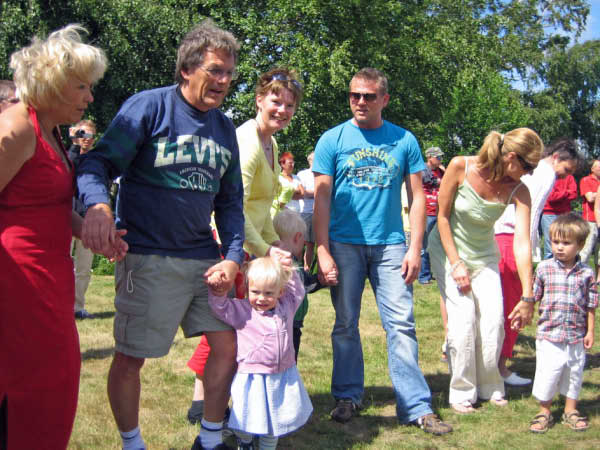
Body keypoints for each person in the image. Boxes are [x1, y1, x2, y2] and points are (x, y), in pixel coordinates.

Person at [77, 20, 245, 450]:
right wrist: (97, 206)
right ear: (187, 69)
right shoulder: (149, 107)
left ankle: (210, 439)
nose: (224, 81)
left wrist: (232, 256)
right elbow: (97, 163)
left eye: (229, 73)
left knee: (227, 346)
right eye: (215, 70)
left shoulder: (225, 128)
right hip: (148, 257)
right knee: (132, 357)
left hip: (205, 260)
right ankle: (132, 443)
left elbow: (230, 202)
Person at [0, 25, 123, 449]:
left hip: (48, 278)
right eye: (82, 87)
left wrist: (90, 230)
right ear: (53, 83)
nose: (90, 98)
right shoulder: (16, 128)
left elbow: (45, 204)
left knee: (52, 385)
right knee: (32, 389)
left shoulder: (49, 130)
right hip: (18, 284)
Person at [313, 67, 452, 435]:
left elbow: (418, 197)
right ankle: (347, 396)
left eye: (369, 96)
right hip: (343, 243)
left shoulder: (404, 140)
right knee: (345, 324)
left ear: (384, 99)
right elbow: (321, 199)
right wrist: (322, 250)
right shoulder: (332, 139)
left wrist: (415, 247)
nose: (360, 101)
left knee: (401, 324)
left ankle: (416, 406)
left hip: (391, 245)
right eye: (354, 95)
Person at [185, 68, 303, 425]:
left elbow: (261, 205)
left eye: (289, 105)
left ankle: (213, 399)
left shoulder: (272, 144)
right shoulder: (248, 143)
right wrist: (263, 249)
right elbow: (234, 206)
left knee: (233, 325)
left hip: (250, 243)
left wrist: (273, 244)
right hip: (229, 245)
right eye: (276, 101)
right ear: (259, 99)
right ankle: (203, 401)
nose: (282, 110)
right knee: (226, 326)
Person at [428, 128, 543, 413]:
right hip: (448, 251)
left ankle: (490, 385)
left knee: (493, 322)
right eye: (528, 166)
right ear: (512, 157)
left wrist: (528, 295)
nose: (530, 173)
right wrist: (456, 263)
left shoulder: (519, 190)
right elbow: (442, 218)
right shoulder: (460, 166)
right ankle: (462, 391)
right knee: (463, 322)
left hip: (485, 256)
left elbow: (522, 243)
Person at [494, 138, 579, 386]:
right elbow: (530, 216)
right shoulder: (546, 173)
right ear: (556, 158)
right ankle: (500, 368)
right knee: (515, 306)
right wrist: (530, 252)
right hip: (513, 241)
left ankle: (490, 365)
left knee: (497, 306)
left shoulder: (529, 169)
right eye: (567, 169)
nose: (566, 176)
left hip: (499, 238)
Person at [206, 256, 313, 450]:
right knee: (246, 418)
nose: (262, 298)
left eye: (269, 293)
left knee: (275, 422)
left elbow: (298, 291)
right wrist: (217, 292)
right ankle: (245, 441)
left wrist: (289, 269)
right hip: (252, 376)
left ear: (280, 292)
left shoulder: (286, 307)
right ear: (247, 289)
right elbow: (220, 307)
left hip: (281, 376)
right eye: (255, 292)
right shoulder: (243, 311)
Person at [528, 213, 597, 433]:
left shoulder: (587, 273)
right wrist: (524, 310)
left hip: (576, 334)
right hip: (549, 333)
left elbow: (591, 305)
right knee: (548, 372)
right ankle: (544, 411)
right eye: (555, 242)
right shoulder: (544, 268)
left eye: (566, 243)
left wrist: (590, 331)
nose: (559, 247)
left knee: (574, 373)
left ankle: (570, 410)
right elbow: (533, 296)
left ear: (580, 245)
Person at [68, 119, 97, 319]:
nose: (86, 139)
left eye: (90, 135)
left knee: (84, 268)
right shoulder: (69, 155)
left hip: (88, 219)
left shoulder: (96, 159)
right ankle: (61, 305)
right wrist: (74, 144)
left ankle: (77, 307)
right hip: (68, 218)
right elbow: (68, 168)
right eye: (82, 134)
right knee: (62, 265)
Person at [418, 146, 445, 285]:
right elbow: (428, 181)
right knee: (425, 246)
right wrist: (441, 180)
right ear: (429, 157)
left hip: (439, 212)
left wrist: (445, 172)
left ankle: (432, 273)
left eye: (441, 157)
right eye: (438, 157)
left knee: (436, 245)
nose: (440, 159)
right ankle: (423, 276)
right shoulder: (422, 169)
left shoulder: (441, 171)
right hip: (426, 212)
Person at [288, 152, 316, 271]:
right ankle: (295, 269)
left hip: (318, 213)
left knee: (311, 245)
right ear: (310, 161)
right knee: (298, 242)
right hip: (304, 213)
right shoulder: (302, 175)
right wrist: (318, 193)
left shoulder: (322, 174)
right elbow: (300, 193)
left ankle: (306, 270)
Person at [539, 172, 577, 259]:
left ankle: (563, 265)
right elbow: (551, 197)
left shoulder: (569, 176)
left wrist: (559, 193)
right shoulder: (549, 176)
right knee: (550, 244)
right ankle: (548, 266)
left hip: (565, 214)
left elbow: (574, 194)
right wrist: (566, 192)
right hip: (549, 213)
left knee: (566, 240)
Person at [579, 160, 600, 270]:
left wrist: (596, 194)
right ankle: (580, 272)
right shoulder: (586, 180)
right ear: (592, 169)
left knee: (599, 253)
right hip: (590, 220)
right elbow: (590, 198)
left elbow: (593, 195)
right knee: (586, 250)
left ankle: (597, 277)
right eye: (599, 167)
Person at [272, 151, 304, 216]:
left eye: (293, 163)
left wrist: (287, 194)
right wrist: (296, 191)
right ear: (282, 164)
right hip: (284, 212)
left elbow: (303, 194)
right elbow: (277, 196)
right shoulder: (278, 178)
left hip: (297, 212)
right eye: (290, 163)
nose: (292, 165)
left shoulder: (296, 177)